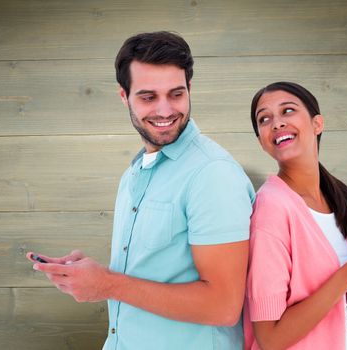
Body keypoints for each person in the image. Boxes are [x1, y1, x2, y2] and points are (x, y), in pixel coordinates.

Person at [27, 31, 255, 350]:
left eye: (176, 94)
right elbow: (148, 272)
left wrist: (107, 285)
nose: (164, 111)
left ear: (190, 88)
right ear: (124, 96)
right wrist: (92, 277)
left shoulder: (212, 174)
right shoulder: (136, 171)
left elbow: (223, 306)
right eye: (148, 97)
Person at [243, 82, 347, 350]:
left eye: (287, 111)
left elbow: (341, 309)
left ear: (317, 123)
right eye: (264, 119)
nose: (276, 123)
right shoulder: (271, 209)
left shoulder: (341, 201)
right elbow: (270, 339)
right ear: (262, 141)